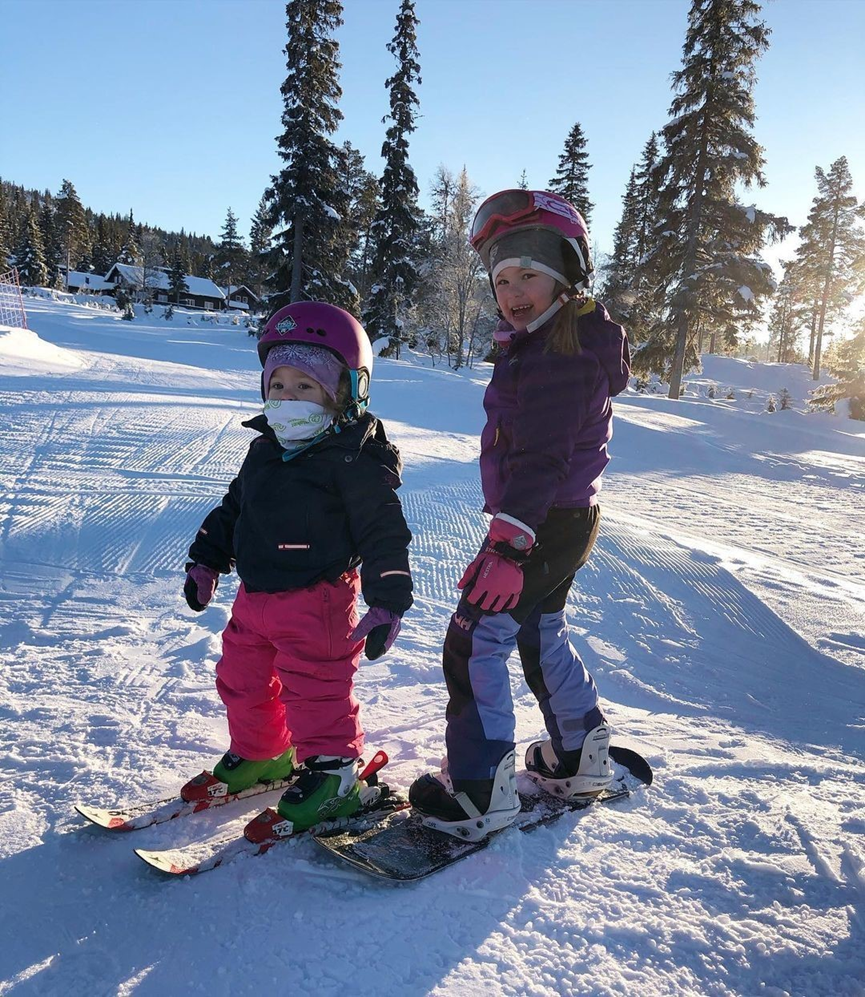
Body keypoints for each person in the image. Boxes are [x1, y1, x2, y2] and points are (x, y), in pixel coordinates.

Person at [409, 190, 631, 841]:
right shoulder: (546, 344)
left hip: (541, 521)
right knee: (537, 632)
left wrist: (508, 545)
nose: (512, 289)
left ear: (565, 276)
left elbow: (538, 456)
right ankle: (578, 755)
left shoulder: (559, 355)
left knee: (474, 636)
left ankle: (479, 792)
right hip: (560, 518)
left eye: (528, 273)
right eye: (501, 277)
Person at [179, 301, 413, 831]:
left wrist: (388, 602)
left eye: (306, 387)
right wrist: (206, 561)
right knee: (241, 678)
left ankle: (334, 774)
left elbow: (384, 532)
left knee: (316, 687)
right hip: (255, 598)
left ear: (346, 394)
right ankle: (264, 752)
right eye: (278, 385)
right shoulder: (263, 451)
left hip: (319, 600)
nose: (287, 399)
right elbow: (234, 509)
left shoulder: (352, 460)